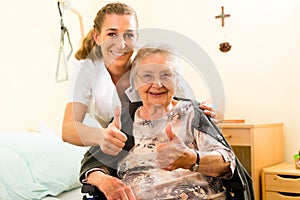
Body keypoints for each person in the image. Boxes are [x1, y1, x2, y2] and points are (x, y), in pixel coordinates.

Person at [79, 45, 249, 200]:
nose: (157, 84)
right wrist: (104, 181)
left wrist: (192, 159)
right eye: (147, 76)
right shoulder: (124, 119)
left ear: (176, 80)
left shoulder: (193, 114)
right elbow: (92, 163)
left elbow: (228, 163)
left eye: (166, 75)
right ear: (136, 81)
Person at [61, 2, 216, 156]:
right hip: (117, 147)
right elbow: (68, 128)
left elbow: (186, 108)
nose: (121, 44)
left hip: (163, 145)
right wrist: (102, 136)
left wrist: (201, 113)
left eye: (129, 35)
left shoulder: (152, 63)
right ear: (97, 36)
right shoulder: (87, 68)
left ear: (137, 37)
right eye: (111, 34)